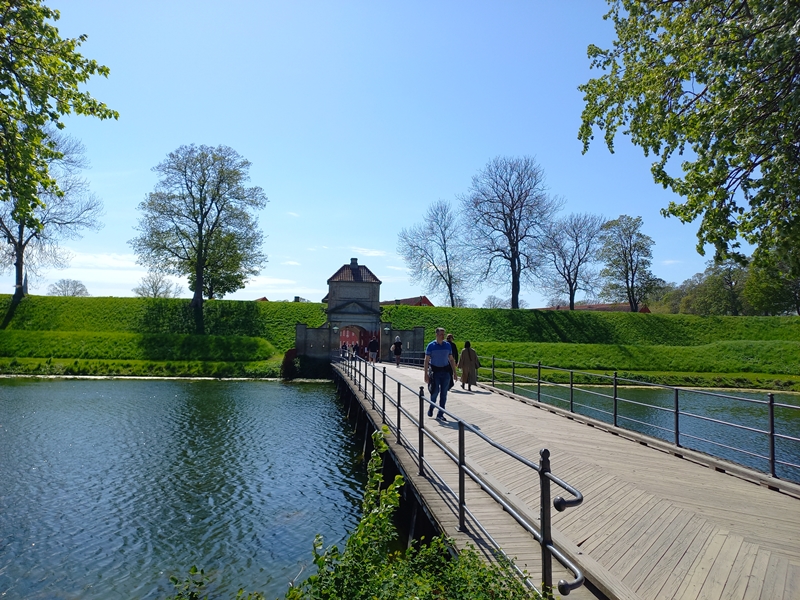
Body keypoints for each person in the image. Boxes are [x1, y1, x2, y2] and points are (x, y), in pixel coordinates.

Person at [424, 327, 457, 422]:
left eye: (443, 334)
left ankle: (440, 414)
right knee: (435, 392)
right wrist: (426, 374)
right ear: (437, 335)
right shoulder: (431, 346)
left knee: (444, 394)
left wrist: (455, 373)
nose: (443, 336)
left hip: (445, 372)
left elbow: (451, 359)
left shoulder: (447, 345)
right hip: (435, 372)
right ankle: (432, 406)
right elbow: (426, 360)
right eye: (441, 334)